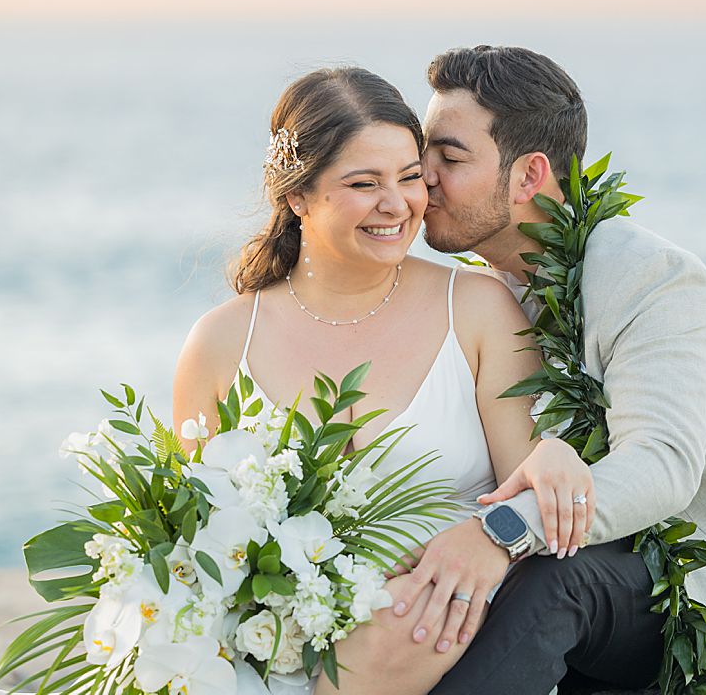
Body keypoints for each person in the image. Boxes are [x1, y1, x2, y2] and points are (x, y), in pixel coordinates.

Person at [400, 45, 706, 695]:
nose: (422, 177)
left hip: (694, 581)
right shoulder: (477, 297)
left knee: (556, 583)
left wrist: (500, 532)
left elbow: (662, 465)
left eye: (450, 158)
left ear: (529, 175)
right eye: (424, 155)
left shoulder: (649, 277)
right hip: (576, 567)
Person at [171, 67, 595, 694]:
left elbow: (528, 498)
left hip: (441, 639)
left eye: (409, 178)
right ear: (297, 197)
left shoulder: (477, 311)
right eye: (363, 184)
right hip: (276, 650)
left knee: (400, 624)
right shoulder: (219, 342)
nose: (396, 205)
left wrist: (555, 456)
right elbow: (198, 542)